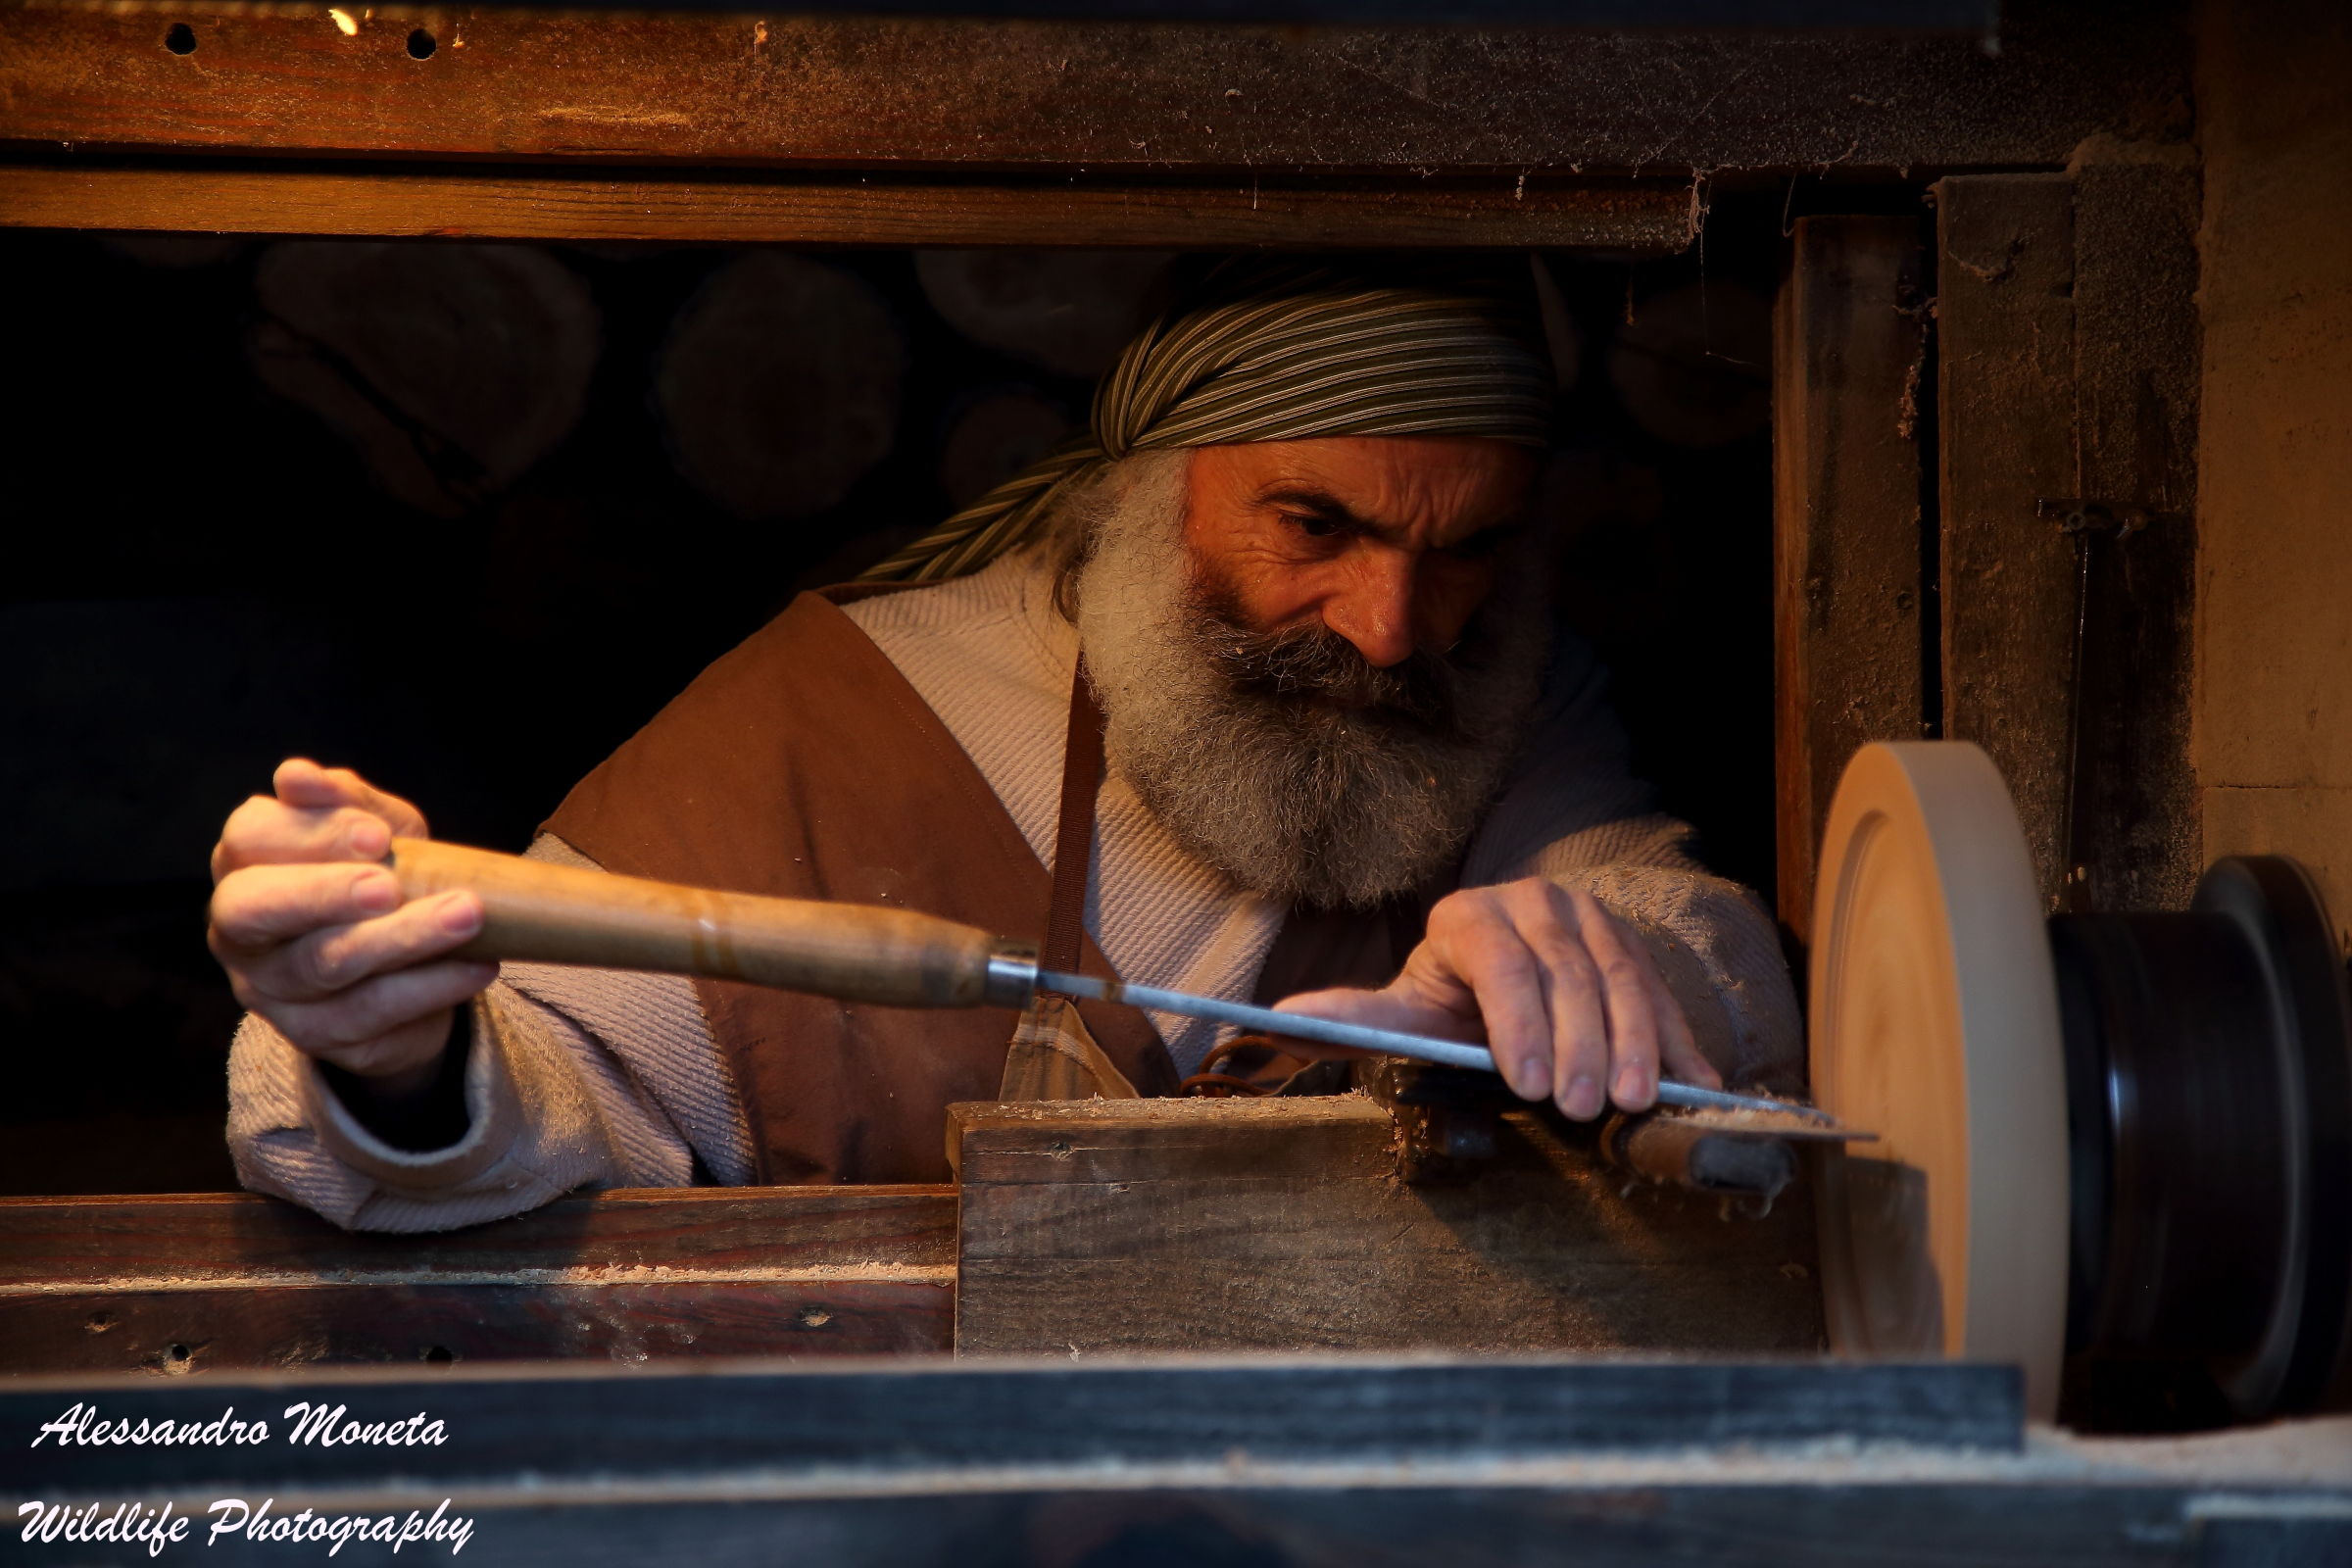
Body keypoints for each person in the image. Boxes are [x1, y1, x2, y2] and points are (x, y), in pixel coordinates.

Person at [209, 259, 1799, 1230]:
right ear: (1152, 488)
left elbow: (1690, 931)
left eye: (1460, 548)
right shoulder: (835, 715)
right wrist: (397, 1056)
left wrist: (1585, 970)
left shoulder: (1494, 684)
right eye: (1315, 523)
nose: (1392, 625)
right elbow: (547, 1093)